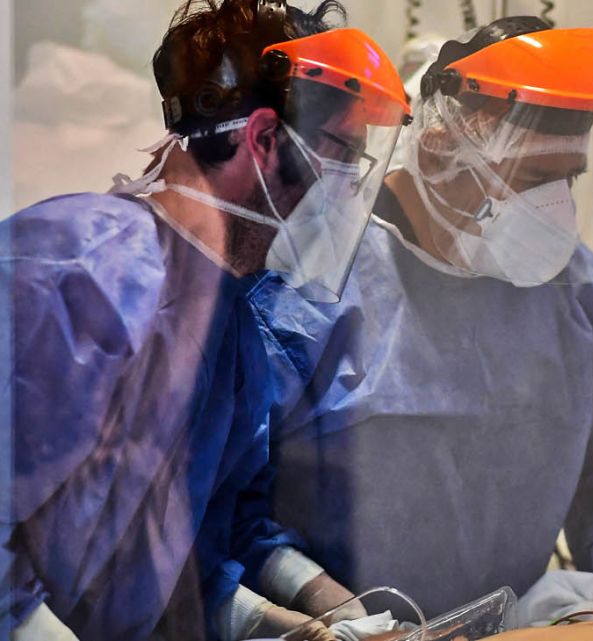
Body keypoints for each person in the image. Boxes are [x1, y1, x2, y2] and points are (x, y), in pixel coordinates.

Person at [248, 16, 593, 624]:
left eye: (571, 178)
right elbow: (226, 503)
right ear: (439, 151)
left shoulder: (586, 302)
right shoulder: (309, 293)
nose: (555, 209)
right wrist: (319, 601)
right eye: (536, 178)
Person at [1, 1, 410, 639]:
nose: (351, 187)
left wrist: (284, 619)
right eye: (342, 157)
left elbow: (171, 560)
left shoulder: (235, 318)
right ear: (266, 139)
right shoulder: (72, 273)